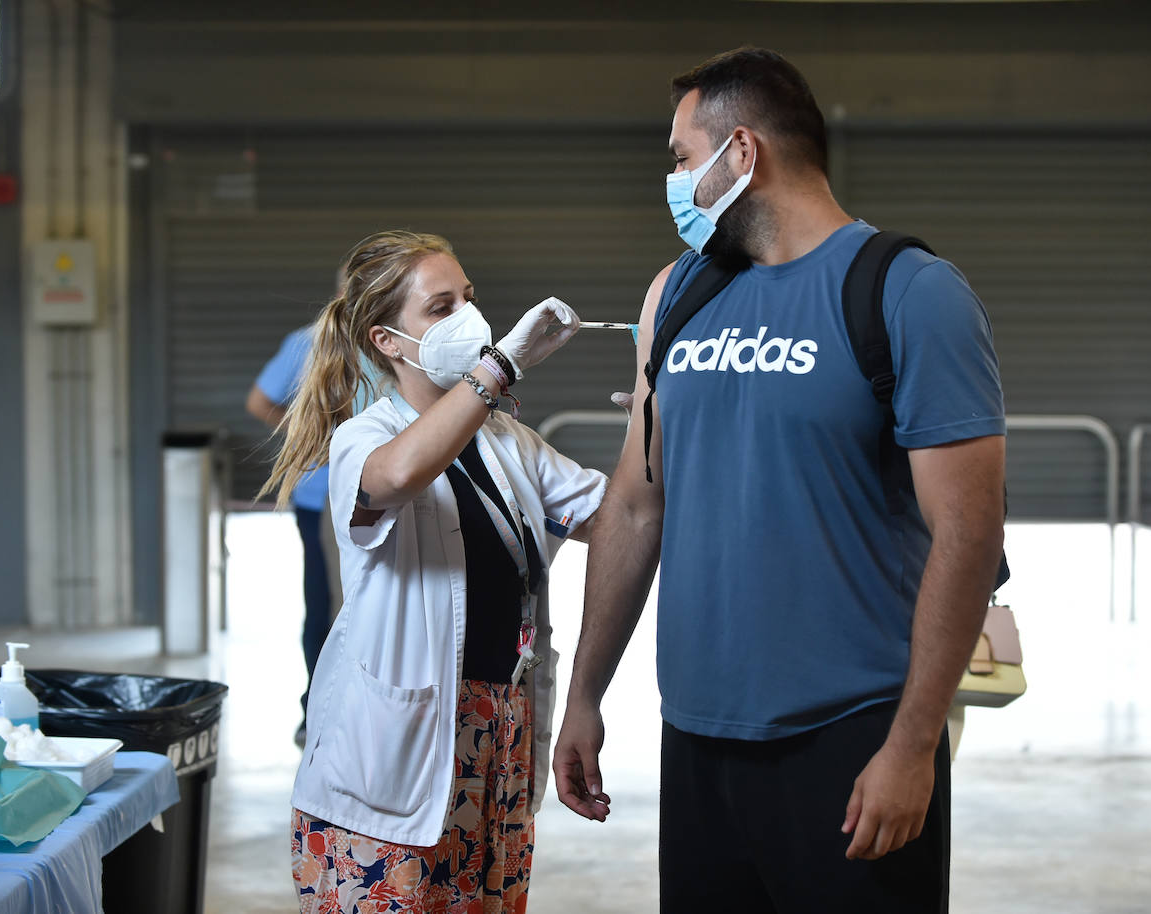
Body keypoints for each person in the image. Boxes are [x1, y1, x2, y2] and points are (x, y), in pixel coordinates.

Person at [552, 47, 1006, 913]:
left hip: (851, 739)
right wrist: (584, 693)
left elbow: (969, 533)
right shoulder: (676, 295)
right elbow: (636, 505)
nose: (675, 181)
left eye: (684, 159)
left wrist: (913, 747)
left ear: (743, 154)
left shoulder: (910, 293)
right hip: (695, 736)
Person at [261, 230, 607, 914]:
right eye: (441, 307)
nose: (469, 320)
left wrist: (660, 421)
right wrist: (500, 368)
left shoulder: (509, 442)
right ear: (387, 341)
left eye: (470, 299)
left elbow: (612, 515)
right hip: (392, 761)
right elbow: (395, 477)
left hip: (498, 743)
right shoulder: (365, 437)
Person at [248, 318, 375, 748]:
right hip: (324, 496)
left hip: (389, 493)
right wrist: (318, 440)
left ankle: (366, 710)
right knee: (326, 605)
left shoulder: (404, 344)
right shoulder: (309, 342)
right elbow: (260, 401)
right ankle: (318, 709)